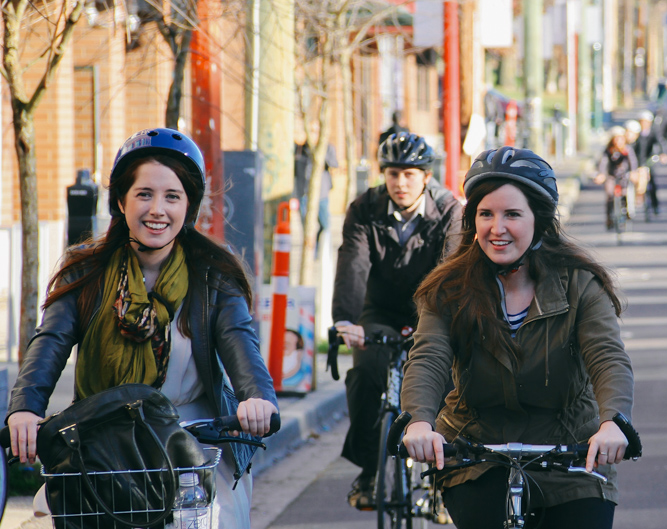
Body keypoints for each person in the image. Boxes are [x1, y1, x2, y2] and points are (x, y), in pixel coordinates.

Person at [6, 128, 278, 527]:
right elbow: (49, 343)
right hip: (104, 440)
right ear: (121, 200)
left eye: (172, 197)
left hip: (192, 442)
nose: (157, 210)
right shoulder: (86, 270)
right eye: (144, 194)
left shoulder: (212, 276)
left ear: (189, 205)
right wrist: (25, 410)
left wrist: (258, 399)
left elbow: (242, 346)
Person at [399, 147, 635, 529]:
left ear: (539, 221)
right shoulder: (448, 289)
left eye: (512, 214)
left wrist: (613, 423)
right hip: (476, 451)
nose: (497, 228)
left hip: (571, 453)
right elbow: (428, 357)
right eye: (486, 214)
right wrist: (419, 423)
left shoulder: (580, 285)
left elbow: (608, 358)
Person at [333, 131, 462, 509]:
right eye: (392, 174)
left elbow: (450, 269)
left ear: (426, 175)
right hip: (382, 310)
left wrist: (439, 325)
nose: (400, 183)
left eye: (409, 174)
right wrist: (345, 319)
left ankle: (445, 477)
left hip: (433, 309)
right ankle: (371, 470)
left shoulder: (450, 211)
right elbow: (352, 263)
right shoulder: (365, 209)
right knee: (366, 373)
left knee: (448, 381)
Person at [594, 126, 638, 229]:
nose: (618, 141)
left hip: (624, 176)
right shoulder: (608, 151)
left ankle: (627, 210)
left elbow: (633, 161)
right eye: (616, 139)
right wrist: (601, 174)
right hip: (612, 176)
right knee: (610, 195)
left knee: (626, 192)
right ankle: (609, 217)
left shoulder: (627, 149)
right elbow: (603, 163)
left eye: (620, 138)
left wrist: (633, 172)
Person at [634, 110, 660, 214]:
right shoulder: (636, 133)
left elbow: (660, 142)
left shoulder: (653, 132)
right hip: (637, 161)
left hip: (648, 161)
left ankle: (655, 205)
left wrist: (662, 154)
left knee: (652, 182)